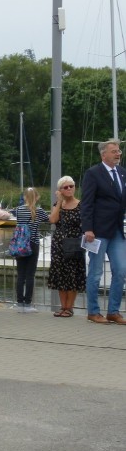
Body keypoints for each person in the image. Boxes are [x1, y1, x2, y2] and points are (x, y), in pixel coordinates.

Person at [80, 139, 126, 324]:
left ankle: (113, 311)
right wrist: (88, 228)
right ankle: (93, 311)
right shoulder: (93, 173)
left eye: (119, 151)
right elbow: (87, 203)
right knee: (96, 272)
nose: (118, 154)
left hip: (116, 230)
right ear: (103, 154)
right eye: (114, 151)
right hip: (97, 231)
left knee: (121, 270)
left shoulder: (122, 173)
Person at [48, 176, 86, 318]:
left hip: (74, 243)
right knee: (60, 274)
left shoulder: (81, 205)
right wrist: (59, 202)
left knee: (72, 275)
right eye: (65, 187)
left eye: (71, 186)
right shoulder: (58, 204)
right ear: (60, 190)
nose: (69, 189)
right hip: (59, 244)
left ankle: (69, 308)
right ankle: (63, 306)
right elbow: (52, 220)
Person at [8, 187, 50, 313]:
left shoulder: (19, 210)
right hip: (33, 243)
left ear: (25, 197)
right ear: (37, 197)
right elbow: (50, 220)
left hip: (20, 243)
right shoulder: (39, 211)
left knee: (20, 274)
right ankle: (28, 304)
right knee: (30, 275)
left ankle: (19, 303)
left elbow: (12, 215)